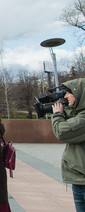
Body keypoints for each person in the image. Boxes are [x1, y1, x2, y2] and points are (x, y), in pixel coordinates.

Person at [52, 79, 85, 212]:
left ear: (79, 94)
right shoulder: (79, 115)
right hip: (78, 180)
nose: (65, 97)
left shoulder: (83, 118)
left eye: (68, 93)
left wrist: (58, 115)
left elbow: (62, 132)